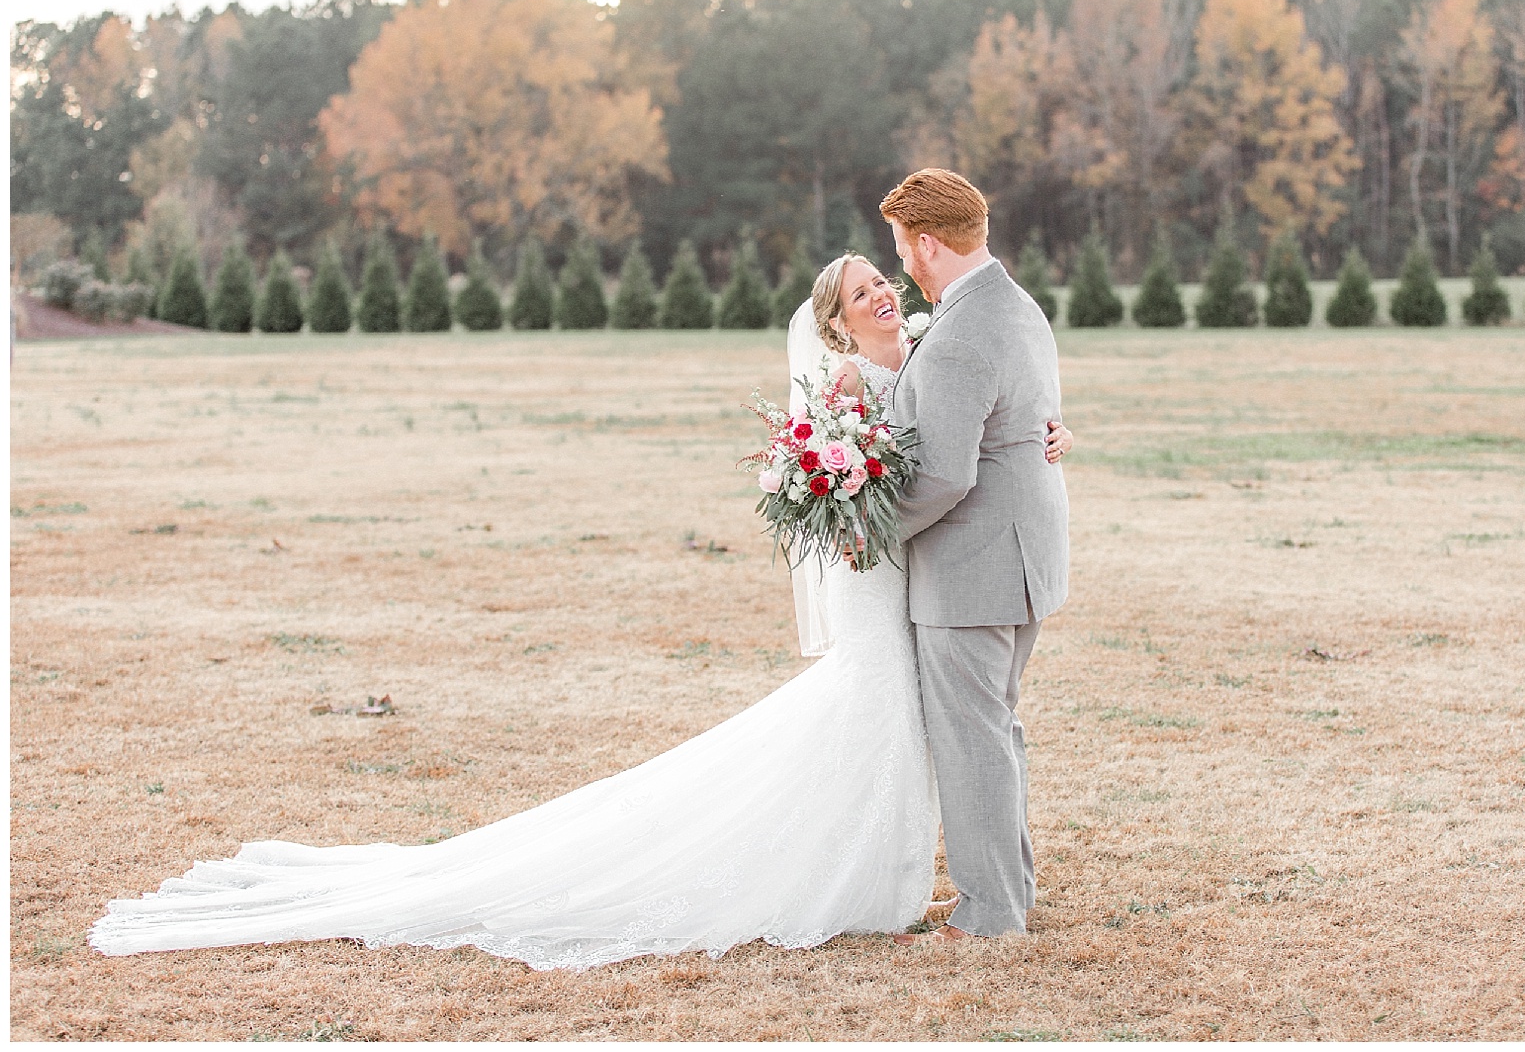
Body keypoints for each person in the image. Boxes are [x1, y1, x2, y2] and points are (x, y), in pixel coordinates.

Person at [88, 237, 1073, 971]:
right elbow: (854, 475)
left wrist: (1042, 435)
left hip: (922, 570)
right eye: (864, 290)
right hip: (881, 573)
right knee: (878, 717)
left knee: (908, 726)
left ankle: (899, 879)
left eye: (885, 281)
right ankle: (861, 881)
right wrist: (855, 491)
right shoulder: (849, 379)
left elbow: (976, 419)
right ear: (836, 320)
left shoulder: (927, 354)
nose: (884, 293)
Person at [878, 169, 1070, 944]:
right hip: (1021, 558)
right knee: (996, 728)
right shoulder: (1015, 305)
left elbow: (946, 473)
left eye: (901, 245)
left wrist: (871, 530)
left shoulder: (958, 332)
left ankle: (990, 912)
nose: (901, 263)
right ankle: (1009, 891)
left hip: (975, 566)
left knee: (972, 737)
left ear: (927, 242)